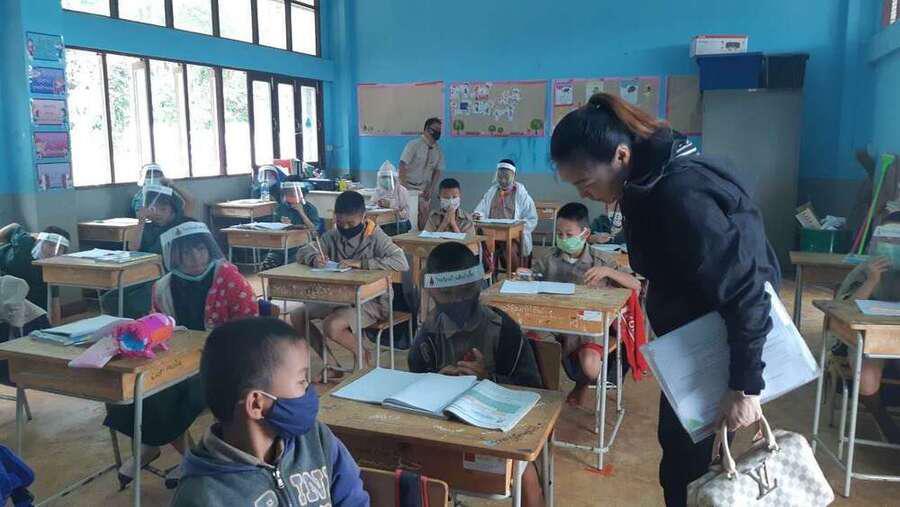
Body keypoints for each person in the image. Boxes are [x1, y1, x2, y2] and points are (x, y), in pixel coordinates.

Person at [551, 92, 779, 506]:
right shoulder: (650, 181)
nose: (584, 193)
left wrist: (746, 386)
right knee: (680, 463)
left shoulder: (679, 192)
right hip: (691, 347)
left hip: (717, 350)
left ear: (621, 156)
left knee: (693, 475)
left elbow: (744, 287)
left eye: (585, 181)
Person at [106, 221, 258, 490]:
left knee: (163, 397)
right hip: (176, 359)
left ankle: (178, 453)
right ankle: (160, 446)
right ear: (174, 256)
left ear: (209, 249)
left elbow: (249, 327)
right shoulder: (163, 286)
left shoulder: (228, 277)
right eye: (186, 252)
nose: (195, 258)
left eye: (200, 249)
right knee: (129, 390)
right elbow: (157, 326)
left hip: (221, 363)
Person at [172, 318, 368, 506]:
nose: (310, 389)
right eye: (301, 381)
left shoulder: (315, 439)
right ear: (256, 404)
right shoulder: (203, 496)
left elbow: (353, 499)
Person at [408, 242, 543, 507]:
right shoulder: (429, 333)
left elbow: (535, 392)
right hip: (442, 426)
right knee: (409, 468)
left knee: (526, 477)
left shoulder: (502, 329)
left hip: (500, 428)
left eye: (465, 291)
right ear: (432, 291)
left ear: (478, 285)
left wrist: (487, 380)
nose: (457, 301)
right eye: (447, 293)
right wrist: (436, 382)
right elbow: (413, 387)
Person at [530, 202, 641, 406]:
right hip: (553, 322)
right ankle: (547, 396)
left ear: (585, 233)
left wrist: (609, 272)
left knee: (590, 367)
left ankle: (582, 384)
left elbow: (636, 285)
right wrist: (525, 277)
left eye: (569, 235)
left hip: (587, 326)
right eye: (560, 234)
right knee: (535, 349)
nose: (563, 239)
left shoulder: (601, 261)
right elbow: (532, 280)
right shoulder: (548, 259)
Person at [292, 191, 408, 370]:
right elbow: (303, 251)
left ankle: (362, 354)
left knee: (332, 326)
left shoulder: (375, 236)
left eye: (351, 223)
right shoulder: (333, 235)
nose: (345, 227)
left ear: (363, 217)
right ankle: (330, 364)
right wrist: (314, 258)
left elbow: (401, 262)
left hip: (371, 301)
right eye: (340, 222)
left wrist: (361, 263)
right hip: (337, 297)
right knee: (297, 314)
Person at [835, 212, 900, 442]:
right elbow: (843, 311)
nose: (891, 246)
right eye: (886, 240)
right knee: (866, 376)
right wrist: (872, 280)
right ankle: (883, 420)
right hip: (868, 340)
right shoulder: (864, 271)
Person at [102, 183, 194, 318]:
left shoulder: (179, 223)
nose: (158, 213)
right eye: (154, 209)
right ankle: (129, 325)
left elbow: (191, 201)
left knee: (135, 302)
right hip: (145, 276)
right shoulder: (148, 227)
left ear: (173, 210)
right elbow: (133, 248)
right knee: (110, 298)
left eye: (163, 209)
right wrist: (141, 221)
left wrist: (172, 185)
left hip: (168, 277)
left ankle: (146, 323)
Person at [473, 159, 538, 272]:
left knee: (509, 248)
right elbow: (480, 209)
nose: (503, 180)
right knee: (480, 246)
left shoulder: (521, 195)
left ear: (514, 176)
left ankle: (515, 275)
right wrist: (478, 215)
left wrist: (518, 227)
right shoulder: (492, 192)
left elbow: (532, 219)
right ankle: (489, 276)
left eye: (506, 177)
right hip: (492, 234)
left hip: (513, 237)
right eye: (500, 176)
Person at [0, 223, 70, 322]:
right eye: (51, 245)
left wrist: (55, 328)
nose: (54, 251)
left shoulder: (51, 269)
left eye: (60, 249)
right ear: (40, 242)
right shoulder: (24, 242)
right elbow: (14, 226)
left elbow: (55, 301)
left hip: (23, 300)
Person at [260, 177, 325, 271]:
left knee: (289, 267)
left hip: (301, 247)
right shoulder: (281, 208)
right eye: (287, 193)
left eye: (293, 193)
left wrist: (301, 212)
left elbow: (314, 230)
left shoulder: (309, 208)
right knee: (267, 265)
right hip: (281, 248)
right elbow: (274, 227)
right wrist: (283, 225)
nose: (290, 195)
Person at [399, 118, 445, 229]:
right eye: (435, 129)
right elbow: (402, 165)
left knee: (424, 214)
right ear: (427, 129)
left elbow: (438, 170)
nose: (438, 132)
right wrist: (404, 189)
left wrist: (431, 188)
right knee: (409, 217)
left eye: (440, 130)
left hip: (424, 189)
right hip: (408, 186)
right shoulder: (414, 145)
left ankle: (422, 235)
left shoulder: (437, 151)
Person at [373, 162, 412, 236]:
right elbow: (373, 204)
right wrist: (378, 203)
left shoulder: (401, 190)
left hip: (398, 223)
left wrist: (390, 204)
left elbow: (404, 211)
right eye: (383, 177)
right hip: (382, 222)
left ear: (394, 178)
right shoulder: (379, 191)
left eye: (387, 177)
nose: (384, 180)